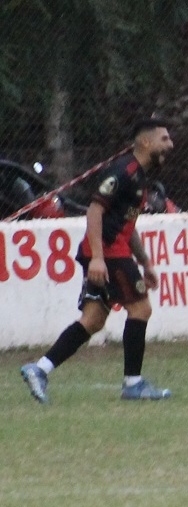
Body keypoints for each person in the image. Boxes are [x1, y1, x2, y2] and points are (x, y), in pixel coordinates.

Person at [20, 118, 175, 404]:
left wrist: (145, 262)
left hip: (110, 252)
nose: (170, 144)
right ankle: (133, 384)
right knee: (140, 308)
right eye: (164, 139)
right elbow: (94, 211)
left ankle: (39, 369)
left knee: (93, 320)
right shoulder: (124, 171)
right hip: (108, 253)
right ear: (145, 142)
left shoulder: (139, 177)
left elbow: (127, 225)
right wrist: (98, 259)